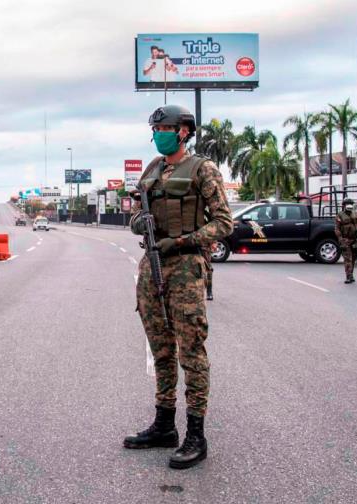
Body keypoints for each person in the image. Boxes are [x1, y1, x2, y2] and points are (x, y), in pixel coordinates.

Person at [124, 104, 233, 469]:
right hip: (152, 264)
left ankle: (196, 435)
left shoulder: (204, 169)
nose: (158, 133)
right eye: (155, 128)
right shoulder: (153, 170)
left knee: (191, 352)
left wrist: (184, 241)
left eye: (165, 127)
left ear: (184, 130)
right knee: (161, 349)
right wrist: (139, 221)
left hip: (185, 267)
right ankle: (164, 425)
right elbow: (135, 213)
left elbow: (224, 224)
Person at [335, 198, 357, 284]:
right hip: (345, 240)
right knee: (348, 259)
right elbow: (337, 229)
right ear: (343, 205)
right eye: (347, 203)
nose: (349, 205)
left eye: (350, 203)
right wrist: (340, 239)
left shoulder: (356, 214)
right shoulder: (340, 215)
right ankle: (348, 276)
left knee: (354, 258)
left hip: (355, 240)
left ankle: (351, 274)